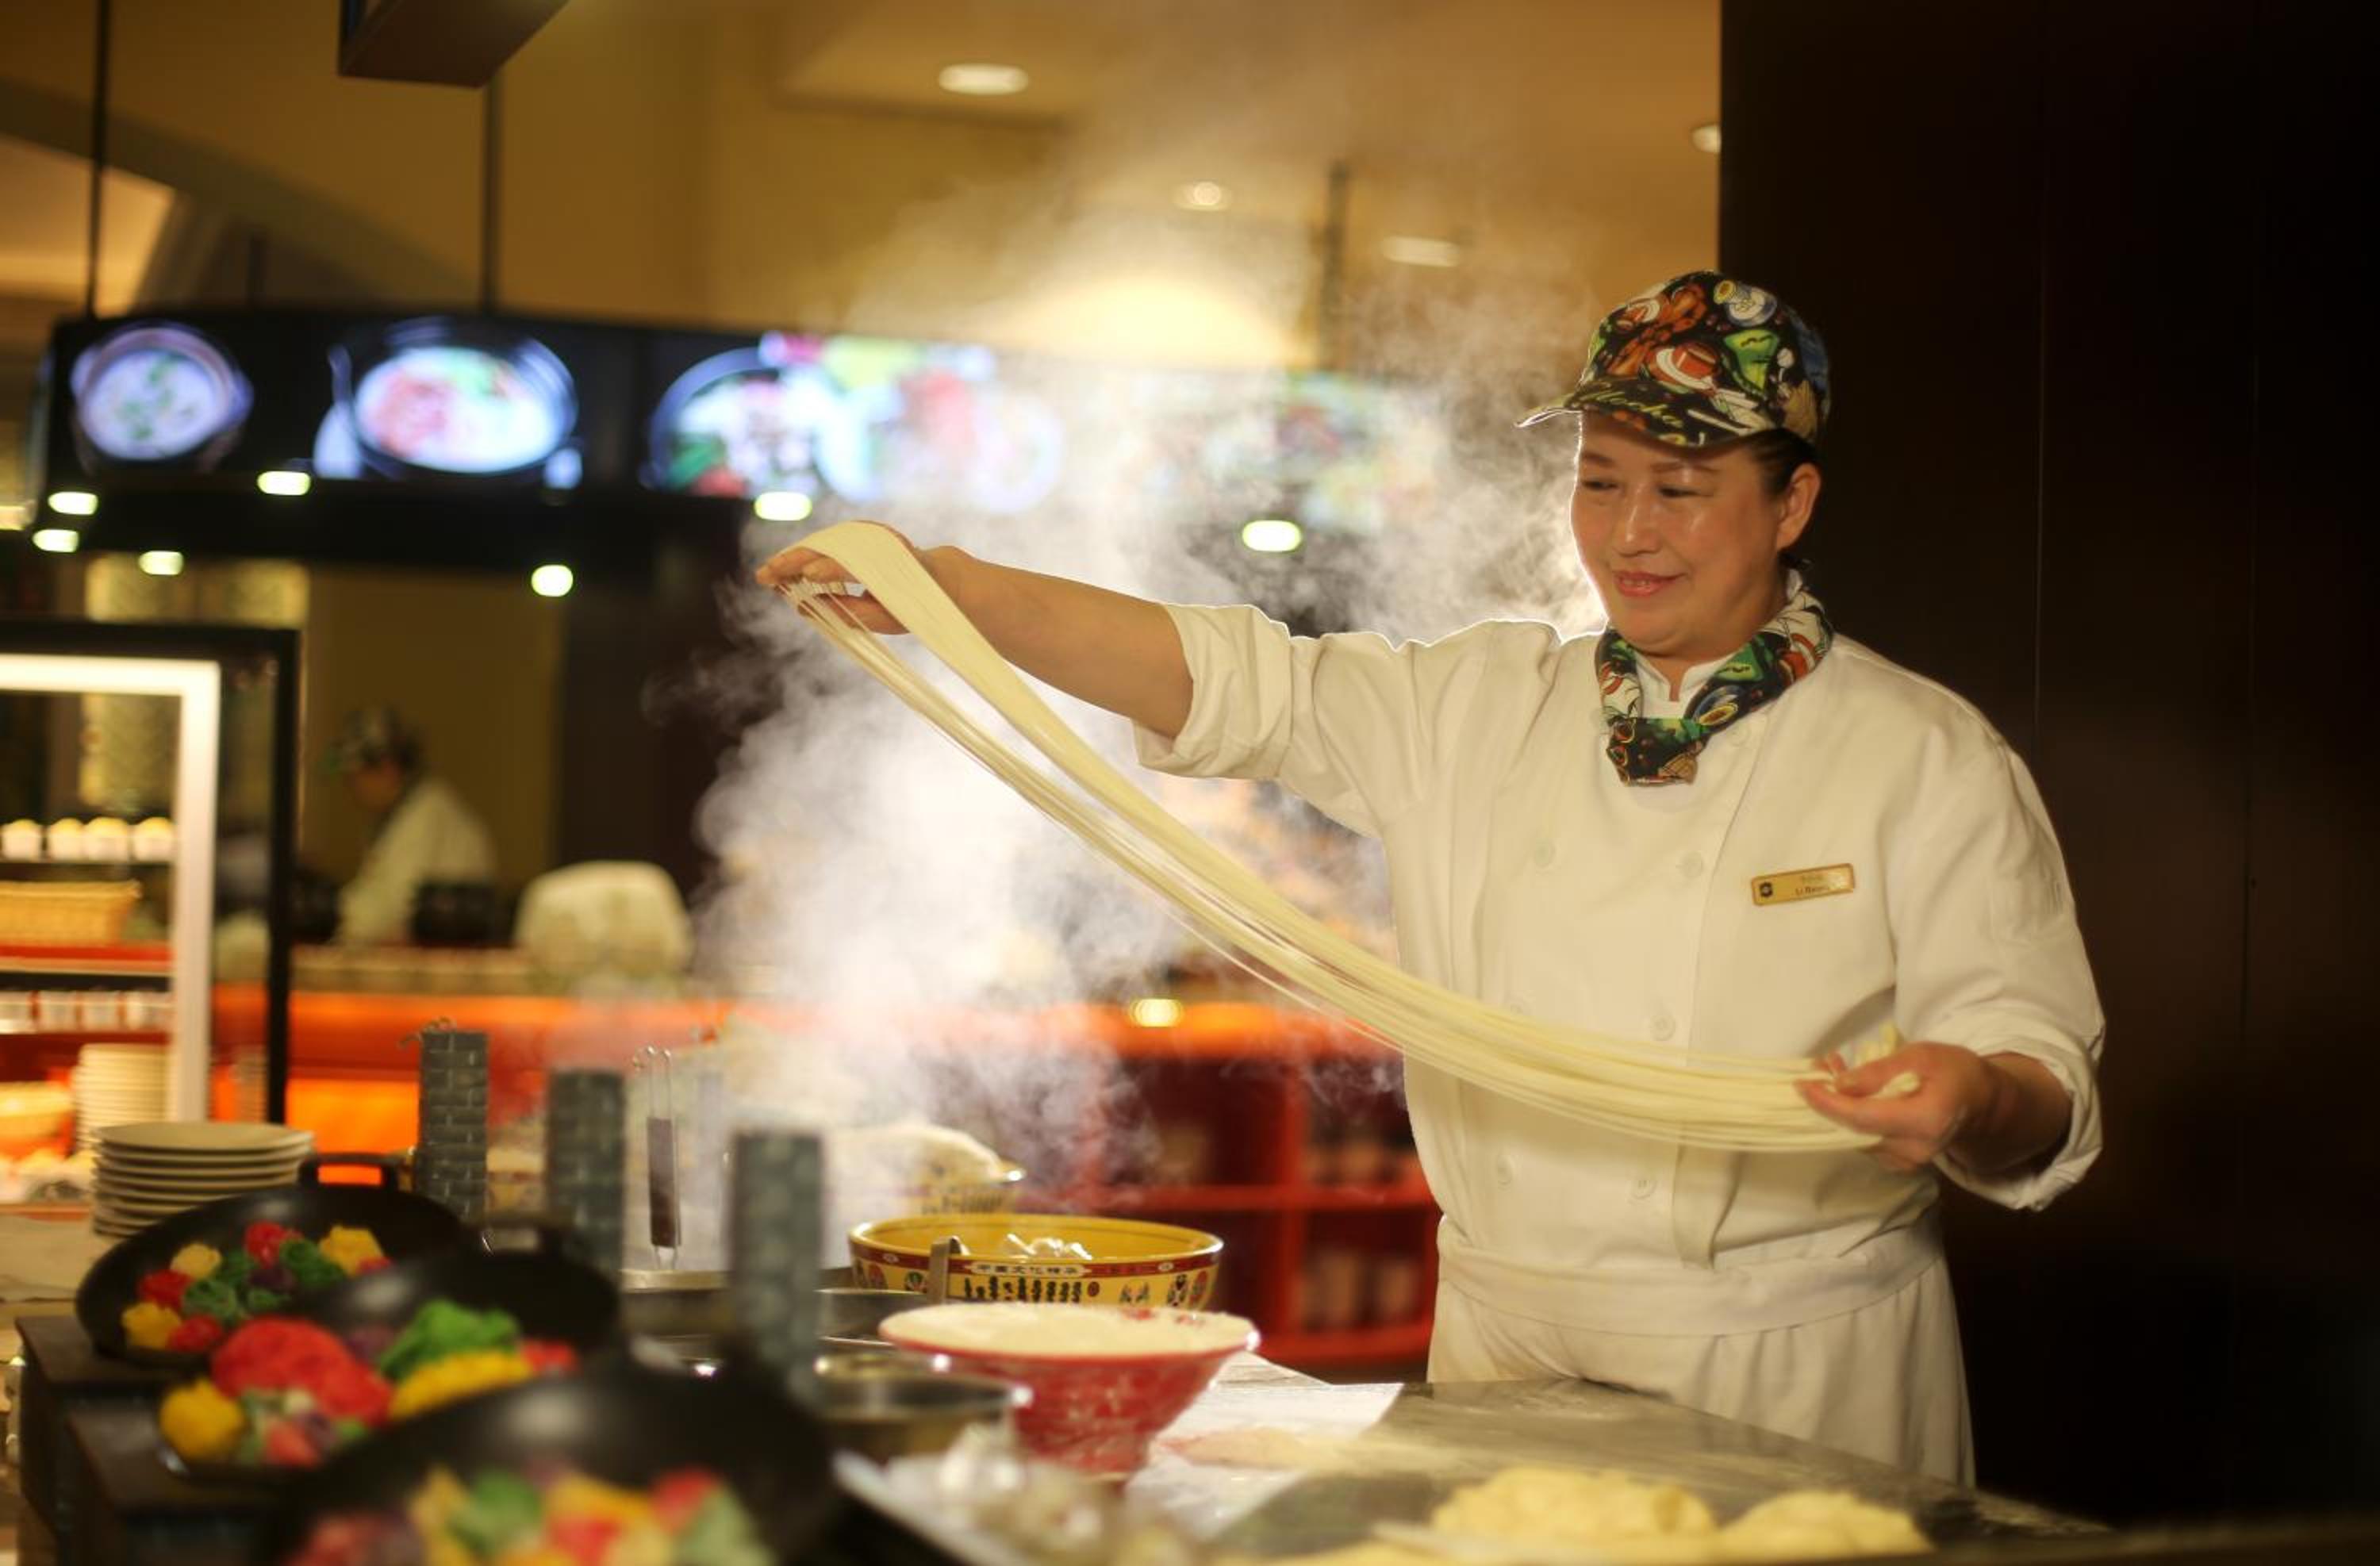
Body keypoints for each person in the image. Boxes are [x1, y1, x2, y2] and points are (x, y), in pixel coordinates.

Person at [755, 271, 2103, 1483]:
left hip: (1796, 1361)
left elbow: (2037, 1074)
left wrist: (1976, 1093)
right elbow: (1232, 679)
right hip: (1509, 1343)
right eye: (1600, 481)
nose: (1630, 531)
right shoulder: (1478, 702)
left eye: (1680, 488)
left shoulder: (1921, 751)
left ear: (1791, 502)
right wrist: (951, 590)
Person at [324, 705, 496, 945]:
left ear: (388, 769)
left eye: (356, 776)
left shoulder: (427, 815)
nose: (351, 787)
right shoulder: (404, 812)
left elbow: (390, 911)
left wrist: (328, 917)